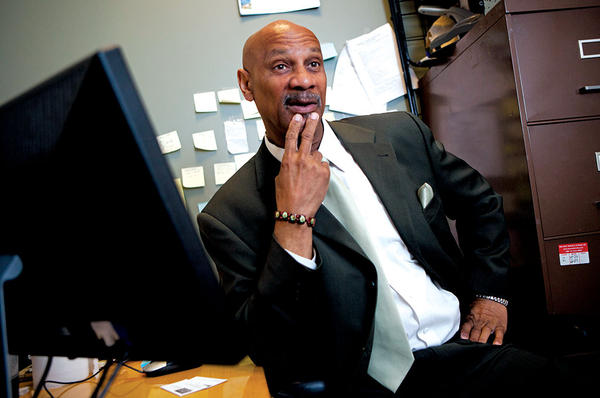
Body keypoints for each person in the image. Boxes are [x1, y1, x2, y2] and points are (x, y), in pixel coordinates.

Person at [197, 20, 559, 397]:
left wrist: (490, 295)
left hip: (467, 349)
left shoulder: (400, 134)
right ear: (246, 83)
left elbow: (481, 203)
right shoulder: (228, 216)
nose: (303, 81)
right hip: (365, 385)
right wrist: (293, 220)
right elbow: (269, 345)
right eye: (281, 66)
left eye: (314, 64)